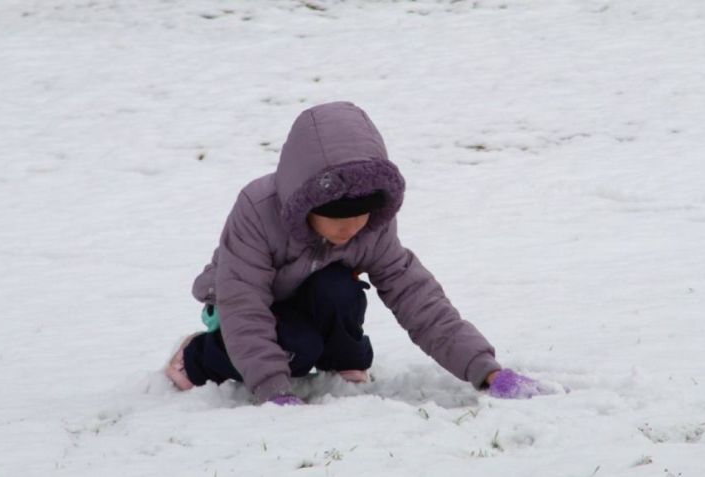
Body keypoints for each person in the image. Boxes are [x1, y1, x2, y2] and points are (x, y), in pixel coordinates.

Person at [165, 101, 545, 405]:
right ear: (304, 205)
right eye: (336, 218)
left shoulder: (373, 226)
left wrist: (486, 369)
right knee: (298, 346)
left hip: (311, 298)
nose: (351, 229)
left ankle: (340, 362)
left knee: (339, 290)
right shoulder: (257, 211)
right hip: (242, 309)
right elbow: (244, 305)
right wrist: (273, 391)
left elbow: (419, 300)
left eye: (360, 216)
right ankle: (197, 356)